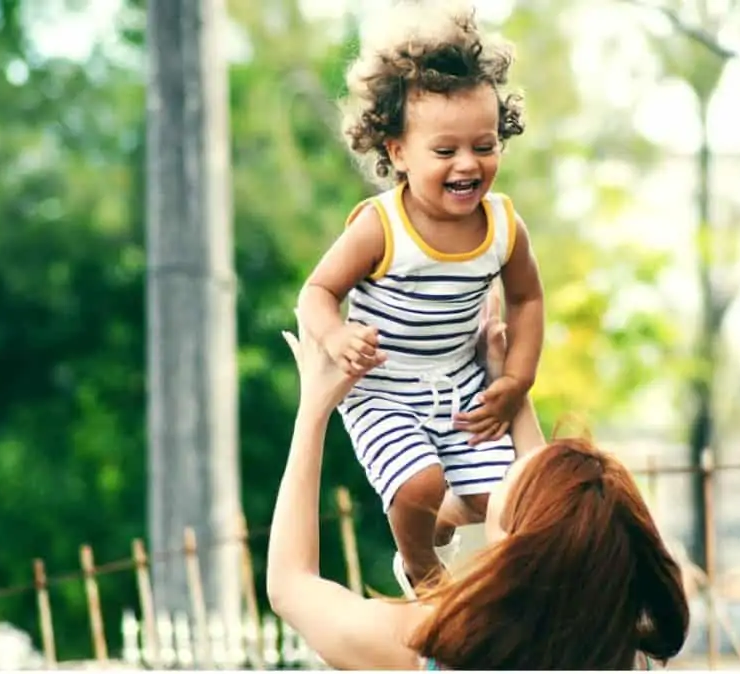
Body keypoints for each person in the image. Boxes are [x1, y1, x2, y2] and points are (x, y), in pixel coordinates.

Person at [266, 298, 690, 670]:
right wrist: (505, 384)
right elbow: (555, 520)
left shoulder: (430, 648)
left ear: (511, 545)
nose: (506, 466)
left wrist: (314, 408)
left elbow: (291, 586)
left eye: (507, 479)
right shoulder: (622, 654)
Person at [295, 0, 544, 598]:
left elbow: (528, 300)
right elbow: (316, 291)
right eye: (445, 151)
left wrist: (516, 380)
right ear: (398, 151)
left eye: (484, 145)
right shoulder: (382, 227)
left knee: (499, 501)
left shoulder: (504, 227)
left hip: (460, 384)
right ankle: (422, 572)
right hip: (383, 386)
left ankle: (445, 522)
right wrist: (336, 336)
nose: (467, 164)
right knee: (418, 485)